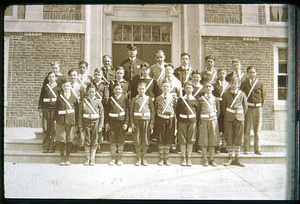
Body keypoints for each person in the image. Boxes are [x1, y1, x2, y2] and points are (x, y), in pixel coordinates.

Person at [53, 77, 81, 166]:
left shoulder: (74, 98)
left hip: (71, 121)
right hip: (61, 121)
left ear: (70, 87)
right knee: (61, 139)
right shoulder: (59, 97)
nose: (66, 88)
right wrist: (54, 120)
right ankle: (62, 157)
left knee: (69, 139)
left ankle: (67, 157)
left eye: (68, 86)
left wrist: (77, 123)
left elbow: (77, 111)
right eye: (64, 86)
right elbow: (55, 110)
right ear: (62, 87)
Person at [222, 76, 248, 167]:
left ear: (238, 84)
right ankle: (230, 158)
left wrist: (239, 115)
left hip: (239, 118)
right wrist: (229, 115)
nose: (234, 85)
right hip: (229, 118)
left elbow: (245, 107)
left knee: (238, 138)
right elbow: (223, 107)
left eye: (236, 83)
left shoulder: (242, 94)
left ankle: (237, 158)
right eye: (232, 83)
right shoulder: (225, 94)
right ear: (229, 84)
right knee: (229, 137)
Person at [241, 66, 265, 155]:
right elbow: (242, 96)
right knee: (247, 129)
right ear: (247, 74)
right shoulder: (244, 83)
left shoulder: (260, 83)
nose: (252, 74)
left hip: (258, 108)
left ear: (256, 73)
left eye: (254, 72)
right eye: (250, 72)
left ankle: (258, 149)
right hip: (248, 108)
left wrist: (260, 106)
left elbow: (263, 96)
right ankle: (246, 149)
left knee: (257, 130)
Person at [158, 63, 182, 153]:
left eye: (170, 70)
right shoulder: (161, 81)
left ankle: (173, 144)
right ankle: (163, 144)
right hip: (164, 103)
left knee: (173, 123)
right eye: (166, 70)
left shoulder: (177, 82)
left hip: (173, 103)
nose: (168, 71)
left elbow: (180, 96)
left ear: (172, 71)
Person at [130, 82, 155, 166]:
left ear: (145, 89)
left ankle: (144, 158)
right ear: (137, 89)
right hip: (136, 121)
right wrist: (132, 123)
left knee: (145, 139)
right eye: (140, 89)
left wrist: (152, 123)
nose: (141, 90)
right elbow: (131, 112)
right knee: (137, 139)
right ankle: (138, 158)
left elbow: (152, 111)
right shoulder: (134, 99)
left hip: (146, 121)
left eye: (143, 89)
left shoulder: (149, 99)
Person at [105, 82, 129, 166]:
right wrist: (107, 122)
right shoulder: (110, 99)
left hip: (121, 121)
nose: (118, 90)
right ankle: (113, 158)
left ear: (122, 90)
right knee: (112, 139)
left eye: (119, 89)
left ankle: (119, 158)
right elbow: (106, 111)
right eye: (116, 89)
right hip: (112, 122)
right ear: (113, 90)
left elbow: (127, 111)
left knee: (121, 139)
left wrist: (126, 122)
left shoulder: (125, 98)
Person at [176, 82, 200, 167]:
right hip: (182, 121)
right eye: (187, 88)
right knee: (182, 139)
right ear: (184, 89)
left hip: (192, 121)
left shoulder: (195, 100)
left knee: (191, 139)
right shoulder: (180, 100)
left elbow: (198, 112)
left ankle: (189, 157)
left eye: (190, 88)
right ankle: (183, 157)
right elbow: (177, 112)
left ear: (193, 89)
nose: (188, 89)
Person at [80, 84, 104, 166]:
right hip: (86, 122)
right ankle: (87, 158)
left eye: (93, 92)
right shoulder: (84, 101)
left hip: (95, 122)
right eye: (90, 92)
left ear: (95, 93)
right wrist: (80, 125)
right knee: (87, 139)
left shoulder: (98, 101)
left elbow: (102, 114)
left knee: (94, 139)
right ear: (87, 92)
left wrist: (101, 125)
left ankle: (92, 158)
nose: (91, 93)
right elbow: (80, 114)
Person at [155, 80, 177, 166]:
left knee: (169, 137)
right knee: (160, 137)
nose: (166, 88)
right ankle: (161, 158)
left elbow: (175, 108)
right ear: (161, 87)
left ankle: (166, 158)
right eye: (164, 86)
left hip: (170, 119)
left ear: (170, 87)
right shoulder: (158, 98)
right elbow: (156, 108)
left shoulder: (173, 98)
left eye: (167, 86)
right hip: (161, 118)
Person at [198, 82, 220, 167]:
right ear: (204, 88)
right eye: (206, 86)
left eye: (210, 86)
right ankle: (205, 159)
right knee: (204, 140)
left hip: (213, 120)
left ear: (212, 88)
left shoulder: (215, 99)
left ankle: (212, 159)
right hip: (203, 120)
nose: (208, 88)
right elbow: (198, 111)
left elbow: (218, 111)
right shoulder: (201, 99)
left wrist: (213, 118)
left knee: (213, 139)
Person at [38, 72, 61, 153]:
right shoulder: (45, 87)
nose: (51, 78)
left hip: (54, 110)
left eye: (53, 76)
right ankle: (45, 146)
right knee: (46, 128)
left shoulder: (58, 88)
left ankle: (52, 146)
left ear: (56, 78)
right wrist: (40, 109)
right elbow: (41, 98)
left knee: (53, 128)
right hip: (46, 109)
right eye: (50, 77)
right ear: (47, 78)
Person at [91, 68, 110, 150]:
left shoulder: (104, 85)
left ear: (102, 76)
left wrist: (100, 102)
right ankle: (93, 144)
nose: (97, 76)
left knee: (100, 125)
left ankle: (98, 144)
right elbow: (88, 94)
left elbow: (106, 97)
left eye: (99, 75)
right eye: (95, 75)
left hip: (101, 107)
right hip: (92, 107)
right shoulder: (91, 84)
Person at [212, 68, 230, 153]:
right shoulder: (214, 85)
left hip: (226, 107)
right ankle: (217, 145)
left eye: (223, 73)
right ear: (217, 75)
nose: (222, 75)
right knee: (218, 126)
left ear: (225, 75)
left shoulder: (229, 85)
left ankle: (224, 145)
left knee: (225, 126)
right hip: (217, 106)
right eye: (220, 73)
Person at [68, 69, 85, 153]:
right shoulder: (66, 86)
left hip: (77, 107)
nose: (73, 77)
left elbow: (82, 98)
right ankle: (70, 143)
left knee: (78, 125)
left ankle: (77, 143)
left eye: (74, 75)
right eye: (71, 75)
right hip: (69, 107)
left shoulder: (80, 86)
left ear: (77, 76)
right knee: (70, 125)